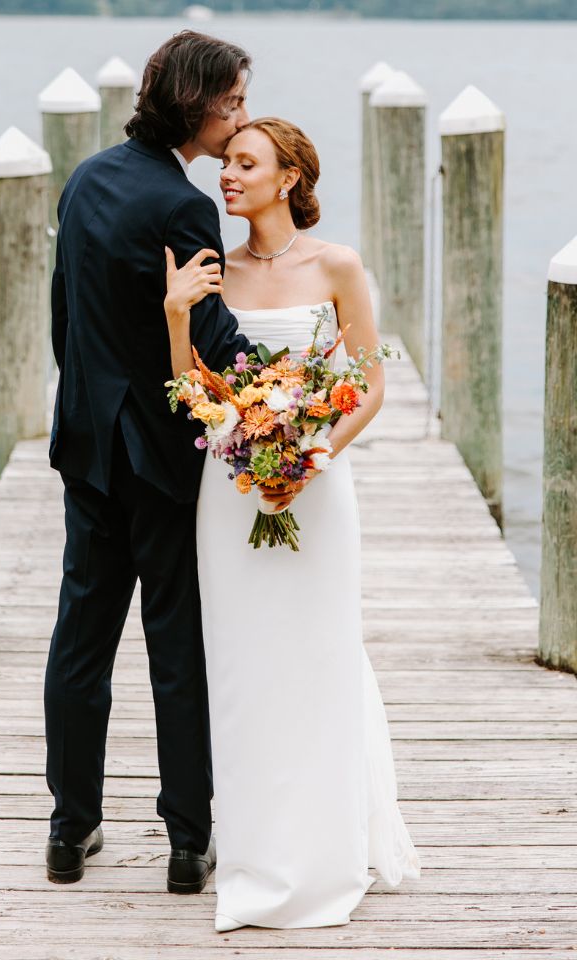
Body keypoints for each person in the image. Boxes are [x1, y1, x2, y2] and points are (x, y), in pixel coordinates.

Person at [164, 117, 421, 931]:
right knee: (240, 669)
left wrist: (314, 456)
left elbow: (371, 385)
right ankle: (252, 858)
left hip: (316, 489)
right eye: (226, 163)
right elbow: (197, 389)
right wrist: (177, 315)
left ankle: (322, 854)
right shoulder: (216, 270)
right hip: (231, 490)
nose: (226, 177)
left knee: (318, 655)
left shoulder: (337, 265)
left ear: (289, 178)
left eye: (246, 165)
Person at [43, 30, 255, 893]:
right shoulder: (184, 206)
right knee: (177, 645)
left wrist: (88, 412)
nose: (239, 118)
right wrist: (302, 385)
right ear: (194, 104)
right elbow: (212, 342)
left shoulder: (87, 179)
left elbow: (65, 320)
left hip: (87, 445)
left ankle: (69, 829)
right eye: (232, 102)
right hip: (164, 460)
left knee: (81, 642)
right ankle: (184, 843)